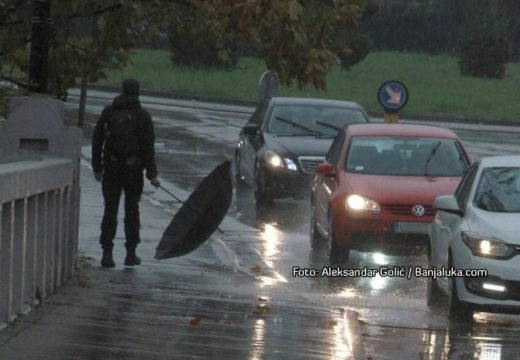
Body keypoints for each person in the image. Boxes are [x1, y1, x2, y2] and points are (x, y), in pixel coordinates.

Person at [92, 79, 160, 268]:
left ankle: (107, 253)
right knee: (132, 211)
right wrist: (152, 174)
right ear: (137, 92)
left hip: (112, 168)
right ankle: (131, 253)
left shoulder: (109, 112)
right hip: (133, 170)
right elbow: (148, 147)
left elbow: (97, 139)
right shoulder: (142, 115)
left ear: (122, 90)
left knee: (110, 210)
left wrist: (97, 167)